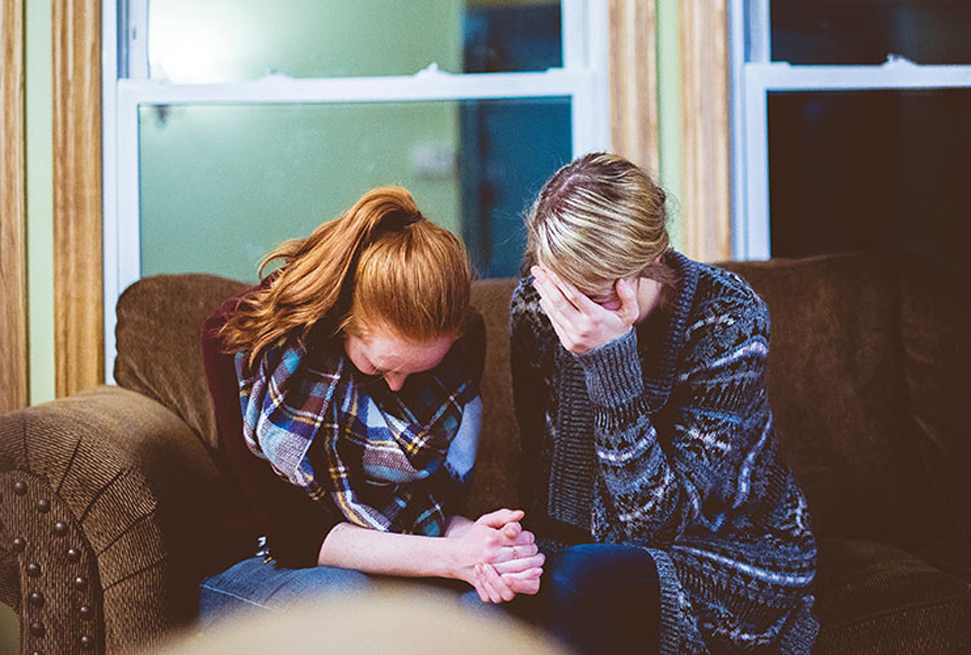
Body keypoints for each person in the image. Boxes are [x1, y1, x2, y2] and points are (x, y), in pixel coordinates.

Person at [508, 154, 820, 654]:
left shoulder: (728, 322)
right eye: (562, 289)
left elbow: (655, 526)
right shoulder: (538, 309)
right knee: (495, 596)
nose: (573, 312)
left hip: (730, 552)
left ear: (645, 265)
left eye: (592, 295)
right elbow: (543, 477)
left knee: (583, 580)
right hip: (591, 548)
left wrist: (611, 366)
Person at [196, 187, 544, 621]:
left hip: (392, 558)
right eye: (380, 369)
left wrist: (487, 545)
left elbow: (433, 509)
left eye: (416, 372)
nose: (398, 387)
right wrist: (454, 558)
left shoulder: (462, 345)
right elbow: (293, 535)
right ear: (342, 319)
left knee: (493, 608)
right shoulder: (242, 340)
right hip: (258, 558)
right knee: (345, 599)